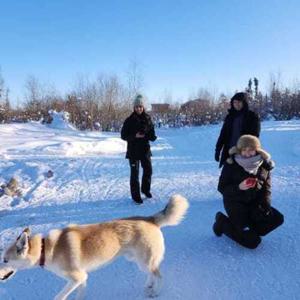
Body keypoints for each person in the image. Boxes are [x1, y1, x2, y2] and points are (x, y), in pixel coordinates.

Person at [213, 135, 284, 249]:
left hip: (254, 203)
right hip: (235, 204)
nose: (247, 153)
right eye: (244, 150)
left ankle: (248, 229)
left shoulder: (264, 165)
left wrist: (265, 206)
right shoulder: (231, 164)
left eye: (251, 150)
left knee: (277, 218)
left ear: (257, 150)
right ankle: (222, 223)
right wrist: (239, 187)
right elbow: (221, 187)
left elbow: (266, 188)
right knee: (252, 242)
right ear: (239, 150)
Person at [121, 94, 157, 204]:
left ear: (143, 107)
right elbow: (123, 135)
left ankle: (145, 190)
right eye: (137, 107)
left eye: (140, 106)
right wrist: (134, 136)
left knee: (148, 170)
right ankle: (136, 196)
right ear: (134, 108)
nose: (139, 108)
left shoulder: (148, 118)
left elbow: (151, 133)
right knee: (135, 174)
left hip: (145, 150)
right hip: (133, 151)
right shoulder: (129, 120)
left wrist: (152, 136)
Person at [215, 92, 260, 168]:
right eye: (234, 102)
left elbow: (254, 137)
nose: (236, 104)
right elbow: (223, 134)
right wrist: (218, 150)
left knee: (242, 177)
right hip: (229, 153)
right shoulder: (230, 117)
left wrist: (248, 150)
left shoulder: (252, 116)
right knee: (226, 177)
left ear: (244, 103)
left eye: (239, 102)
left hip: (245, 154)